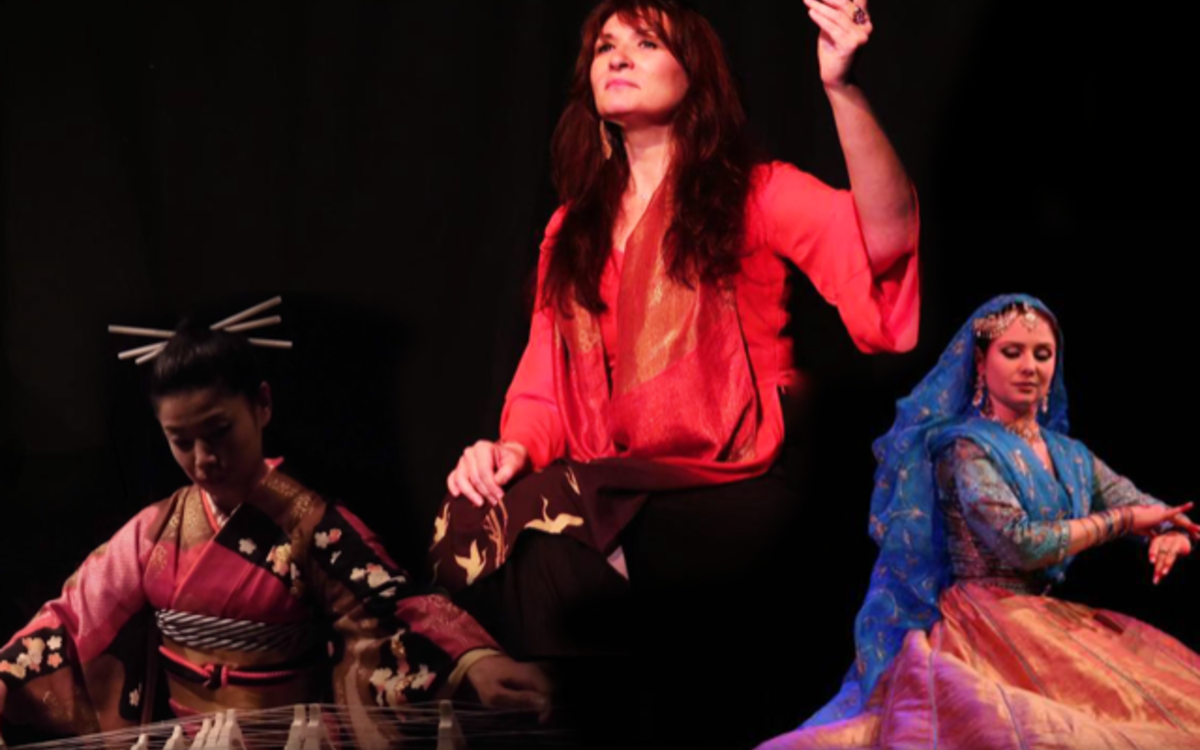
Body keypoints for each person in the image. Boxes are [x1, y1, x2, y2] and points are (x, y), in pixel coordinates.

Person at [427, 0, 918, 744]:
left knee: (566, 516)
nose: (618, 57)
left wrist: (841, 88)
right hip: (617, 485)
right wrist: (510, 450)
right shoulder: (571, 229)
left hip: (740, 477)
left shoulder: (756, 192)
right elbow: (544, 381)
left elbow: (884, 239)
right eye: (605, 47)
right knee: (479, 519)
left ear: (696, 76)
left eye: (646, 43)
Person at [0, 325, 550, 745]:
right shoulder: (153, 531)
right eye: (180, 441)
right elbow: (73, 619)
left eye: (219, 431)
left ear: (262, 405)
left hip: (291, 739)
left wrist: (475, 663)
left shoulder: (313, 525)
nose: (203, 459)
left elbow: (393, 609)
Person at [760, 294, 1200, 750]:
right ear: (980, 363)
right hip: (979, 627)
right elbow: (1023, 544)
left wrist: (1171, 533)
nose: (1029, 366)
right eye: (1012, 352)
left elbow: (1149, 507)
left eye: (1042, 354)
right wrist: (1125, 520)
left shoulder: (1070, 455)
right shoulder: (966, 448)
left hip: (1044, 623)